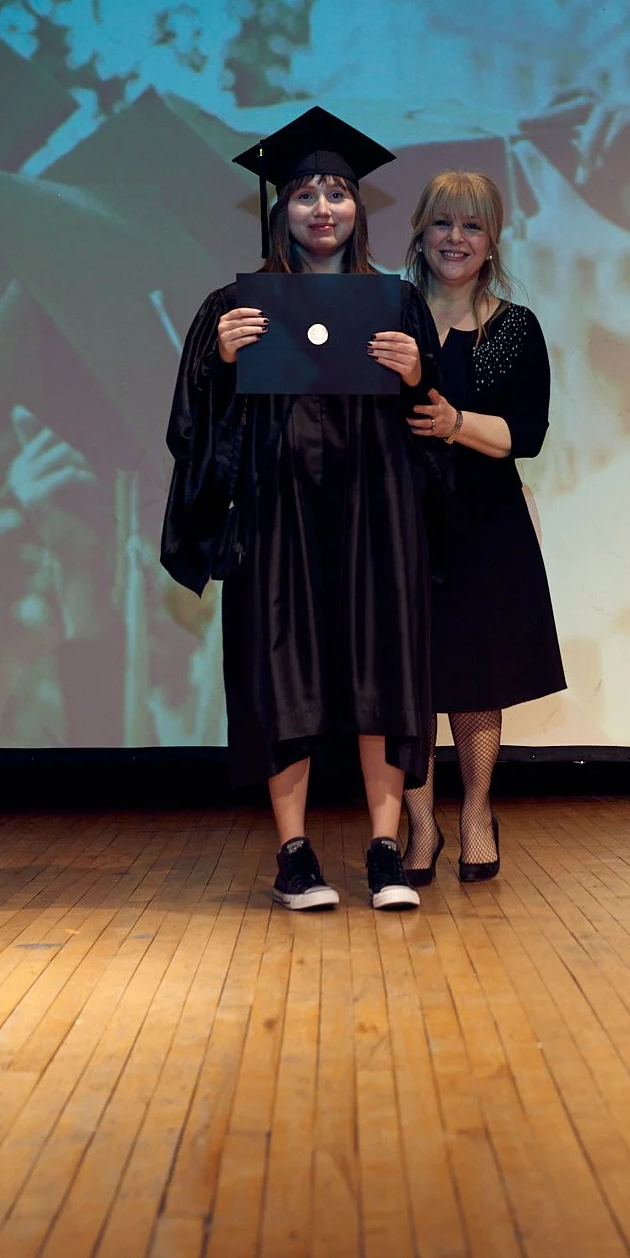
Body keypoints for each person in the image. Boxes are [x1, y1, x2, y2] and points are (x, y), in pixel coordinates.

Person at [160, 107, 446, 913]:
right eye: (306, 195)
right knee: (280, 670)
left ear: (359, 208)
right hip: (277, 516)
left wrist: (419, 370)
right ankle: (293, 853)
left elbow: (429, 422)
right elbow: (192, 427)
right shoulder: (234, 305)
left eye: (338, 193)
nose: (323, 208)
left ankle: (386, 850)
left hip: (375, 513)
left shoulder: (395, 305)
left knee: (380, 667)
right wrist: (219, 362)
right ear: (280, 208)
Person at [398, 172, 568, 883]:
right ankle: (418, 826)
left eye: (471, 226)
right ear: (421, 232)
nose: (455, 239)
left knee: (476, 677)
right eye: (443, 224)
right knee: (402, 681)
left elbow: (525, 434)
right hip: (400, 519)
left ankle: (474, 810)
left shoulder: (513, 327)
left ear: (492, 239)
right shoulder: (390, 317)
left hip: (483, 522)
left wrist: (456, 424)